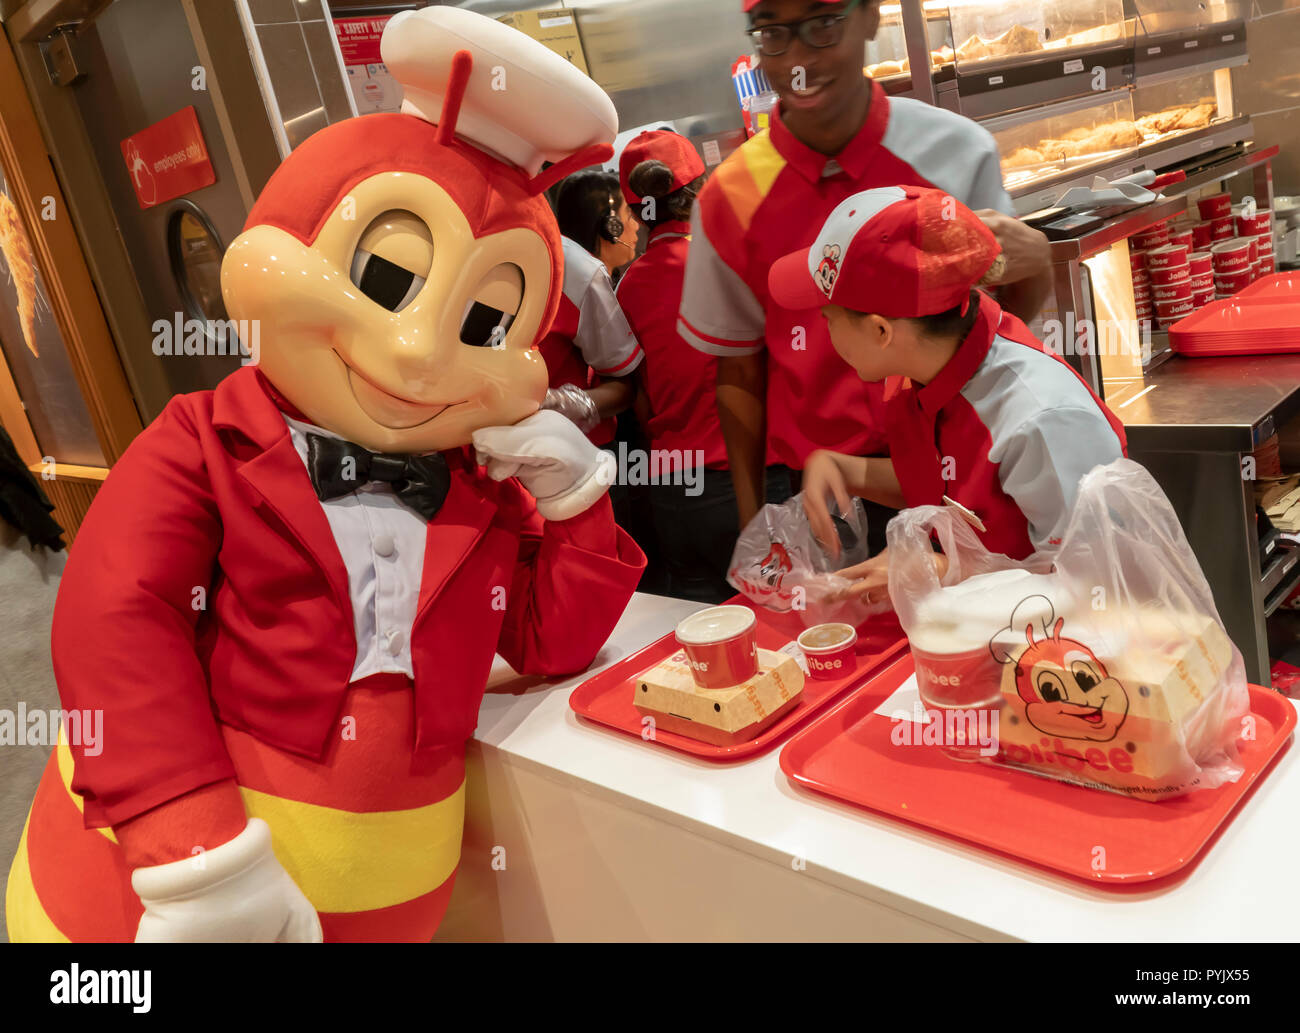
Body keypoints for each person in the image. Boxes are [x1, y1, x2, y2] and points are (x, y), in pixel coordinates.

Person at [678, 0, 1054, 536]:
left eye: (824, 23)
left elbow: (1005, 319)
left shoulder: (952, 153)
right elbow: (739, 370)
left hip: (963, 470)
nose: (798, 58)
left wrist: (1036, 258)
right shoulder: (730, 197)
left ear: (871, 16)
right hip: (825, 495)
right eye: (773, 34)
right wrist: (753, 526)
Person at [768, 185, 1126, 604]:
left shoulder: (1042, 418)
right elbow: (949, 482)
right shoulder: (918, 368)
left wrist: (945, 570)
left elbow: (1100, 585)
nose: (825, 334)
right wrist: (846, 471)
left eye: (828, 317)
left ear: (881, 331)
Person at [614, 130, 735, 601]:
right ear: (700, 189)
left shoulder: (626, 287)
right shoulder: (727, 264)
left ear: (633, 209)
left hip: (669, 486)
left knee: (697, 632)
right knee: (773, 628)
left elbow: (636, 392)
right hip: (738, 479)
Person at [541, 170, 643, 444]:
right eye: (628, 215)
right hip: (580, 445)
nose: (637, 225)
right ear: (611, 227)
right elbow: (626, 377)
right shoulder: (582, 272)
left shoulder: (564, 260)